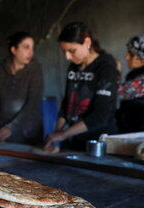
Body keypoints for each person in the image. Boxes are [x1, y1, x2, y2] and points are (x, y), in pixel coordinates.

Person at [44, 22, 118, 153]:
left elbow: (101, 114)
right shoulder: (74, 66)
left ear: (87, 42)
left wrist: (64, 134)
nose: (67, 57)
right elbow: (67, 103)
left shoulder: (106, 66)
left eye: (72, 51)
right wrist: (57, 135)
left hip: (97, 142)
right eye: (64, 52)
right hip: (74, 138)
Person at [0, 31, 43, 144]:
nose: (31, 52)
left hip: (28, 131)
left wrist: (12, 127)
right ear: (14, 50)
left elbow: (32, 103)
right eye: (26, 47)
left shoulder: (35, 71)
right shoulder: (0, 71)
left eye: (32, 48)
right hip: (4, 130)